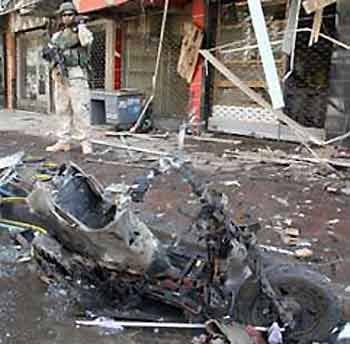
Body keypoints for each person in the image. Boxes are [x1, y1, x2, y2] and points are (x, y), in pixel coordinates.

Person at [45, 2, 94, 154]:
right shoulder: (57, 35)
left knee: (80, 109)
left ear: (75, 15)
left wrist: (80, 26)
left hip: (76, 74)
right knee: (62, 109)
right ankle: (63, 141)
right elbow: (49, 52)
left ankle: (85, 141)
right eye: (64, 15)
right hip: (60, 76)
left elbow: (87, 41)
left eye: (70, 14)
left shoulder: (81, 31)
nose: (67, 17)